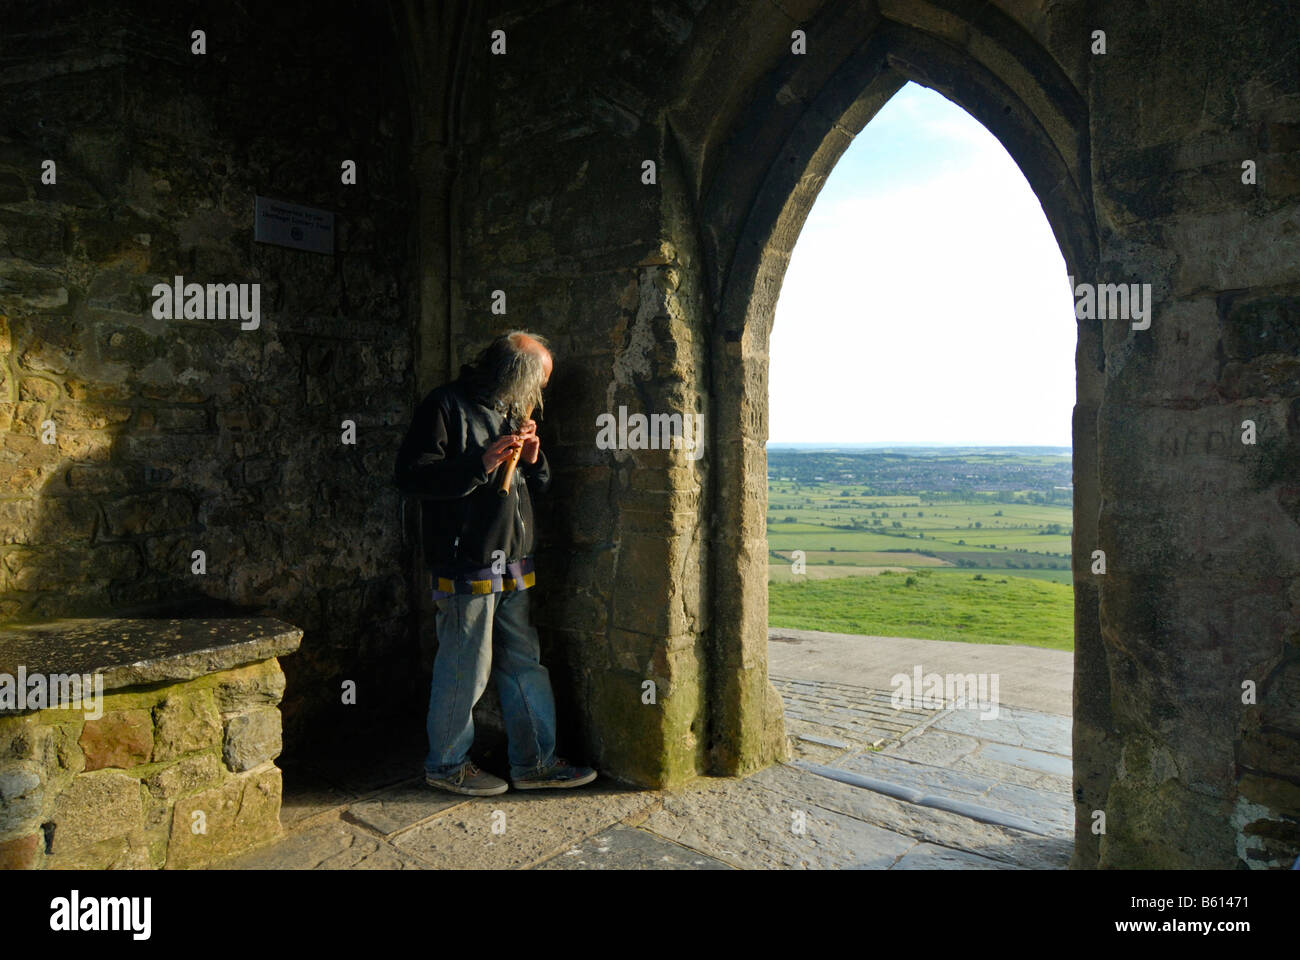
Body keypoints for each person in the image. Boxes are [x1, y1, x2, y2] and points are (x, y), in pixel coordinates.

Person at [394, 330, 597, 796]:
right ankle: (446, 765)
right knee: (467, 666)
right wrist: (479, 463)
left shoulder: (509, 409)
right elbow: (411, 477)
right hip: (466, 560)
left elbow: (538, 485)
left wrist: (532, 456)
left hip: (513, 560)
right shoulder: (444, 405)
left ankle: (535, 763)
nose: (540, 393)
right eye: (539, 382)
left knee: (524, 663)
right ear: (517, 375)